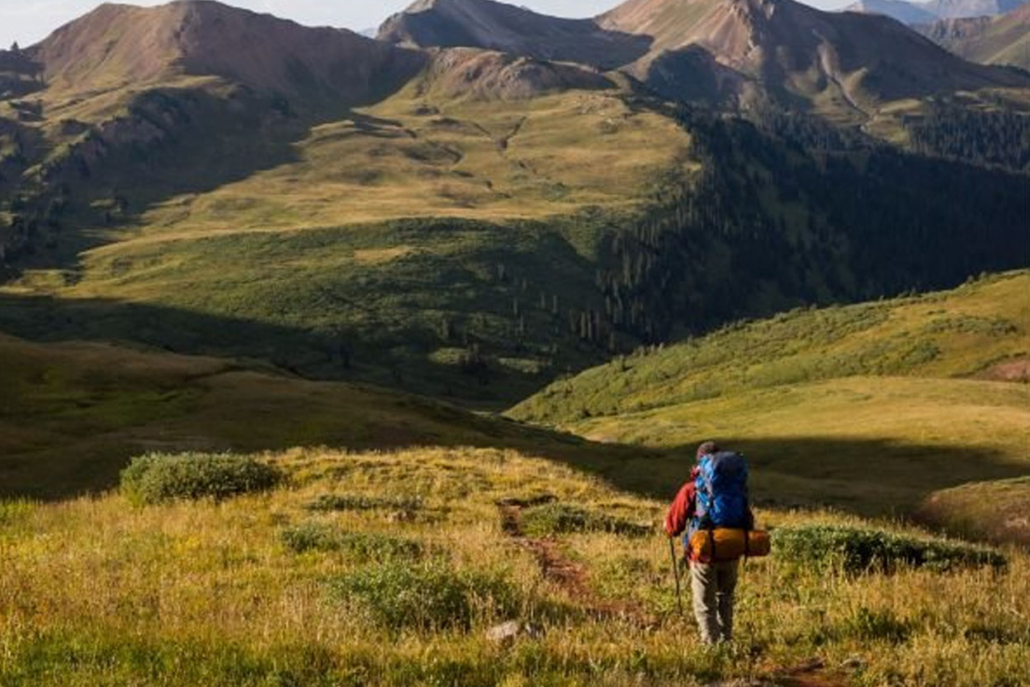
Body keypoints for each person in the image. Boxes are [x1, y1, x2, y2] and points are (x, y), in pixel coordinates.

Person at [664, 440, 753, 645]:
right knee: (725, 598)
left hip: (703, 554)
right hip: (732, 549)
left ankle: (712, 646)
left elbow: (673, 525)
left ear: (699, 463)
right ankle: (727, 639)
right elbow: (747, 517)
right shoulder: (736, 487)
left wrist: (669, 528)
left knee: (705, 603)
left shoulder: (692, 489)